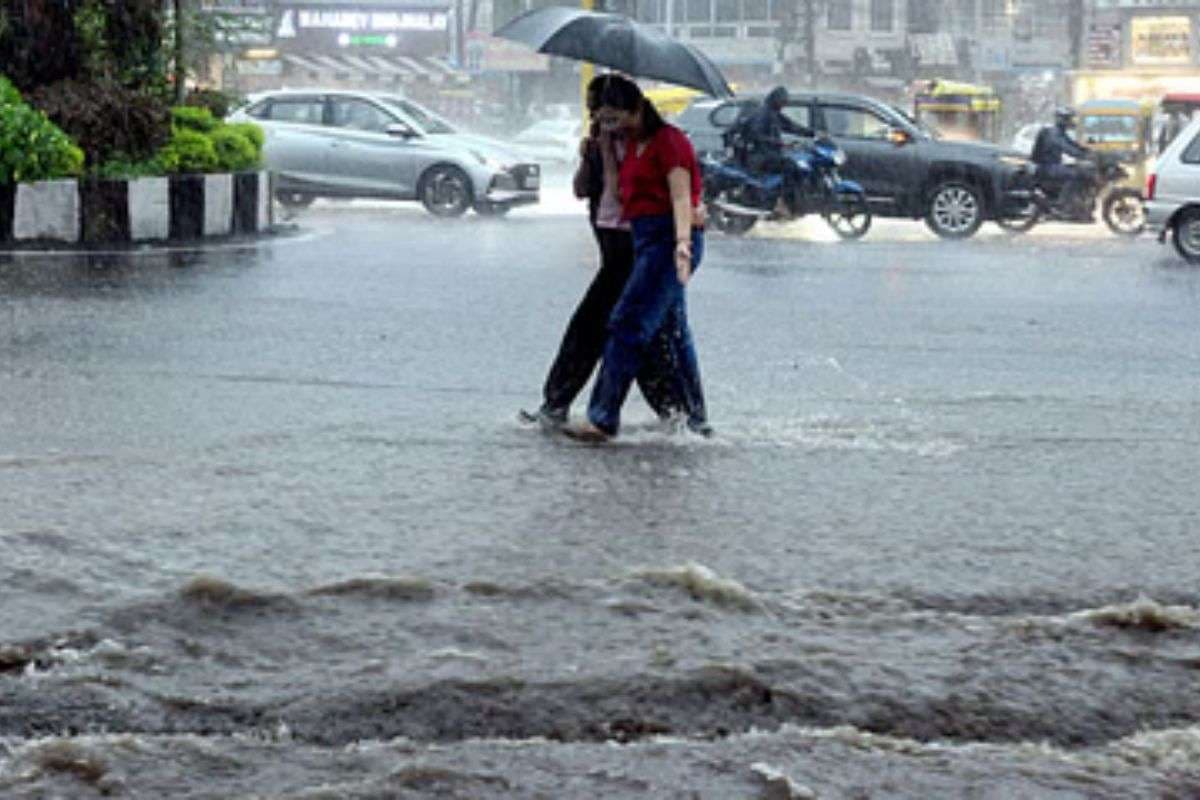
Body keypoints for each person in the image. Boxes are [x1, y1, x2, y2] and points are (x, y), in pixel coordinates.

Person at [520, 75, 695, 432]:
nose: (597, 117)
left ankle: (677, 418)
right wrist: (592, 156)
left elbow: (673, 194)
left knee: (633, 336)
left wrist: (682, 238)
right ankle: (679, 418)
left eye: (602, 110)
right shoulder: (605, 145)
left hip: (642, 255)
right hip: (613, 255)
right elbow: (585, 190)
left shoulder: (650, 143)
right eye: (594, 111)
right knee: (616, 334)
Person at [564, 78, 708, 443]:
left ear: (637, 108)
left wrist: (681, 245)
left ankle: (602, 417)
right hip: (645, 240)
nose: (612, 124)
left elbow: (680, 198)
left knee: (627, 323)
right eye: (604, 118)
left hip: (669, 240)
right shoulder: (630, 144)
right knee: (674, 335)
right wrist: (601, 151)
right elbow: (613, 194)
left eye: (616, 117)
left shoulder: (670, 142)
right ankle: (695, 420)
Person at [740, 86, 812, 210]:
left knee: (796, 164)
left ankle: (794, 198)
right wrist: (779, 143)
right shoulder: (763, 114)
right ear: (775, 99)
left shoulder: (774, 114)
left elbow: (791, 126)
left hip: (770, 154)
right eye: (782, 100)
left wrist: (812, 133)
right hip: (760, 156)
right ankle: (784, 202)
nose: (784, 103)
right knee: (791, 166)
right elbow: (756, 135)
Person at [1031, 106, 1095, 221]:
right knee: (1075, 174)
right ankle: (1063, 205)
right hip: (1046, 167)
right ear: (1062, 120)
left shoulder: (1060, 132)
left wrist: (1088, 151)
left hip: (1053, 166)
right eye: (1069, 119)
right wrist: (1082, 155)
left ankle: (1079, 205)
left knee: (1079, 169)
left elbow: (1072, 144)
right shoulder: (1053, 133)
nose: (1071, 122)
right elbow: (1066, 147)